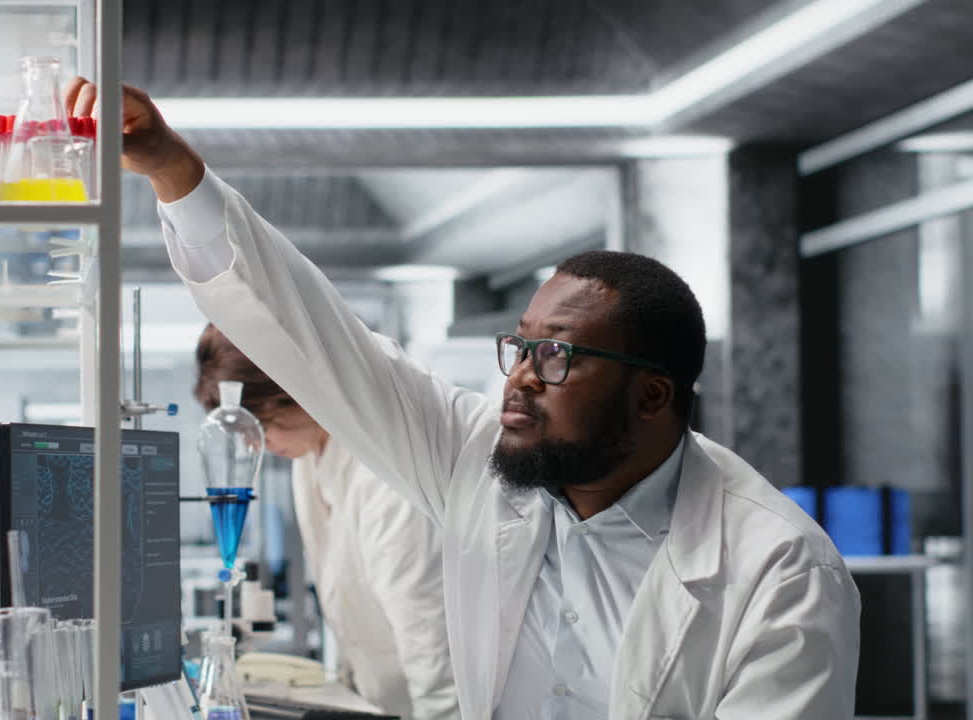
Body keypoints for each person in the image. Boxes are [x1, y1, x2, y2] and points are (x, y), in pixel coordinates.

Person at [67, 79, 862, 720]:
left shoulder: (781, 573)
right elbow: (318, 337)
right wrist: (174, 169)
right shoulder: (474, 458)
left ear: (651, 394)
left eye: (556, 358)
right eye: (520, 346)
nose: (517, 376)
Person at [194, 324, 458, 720]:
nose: (255, 444)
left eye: (262, 426)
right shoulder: (311, 455)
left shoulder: (387, 470)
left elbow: (433, 647)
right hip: (379, 701)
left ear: (299, 393)